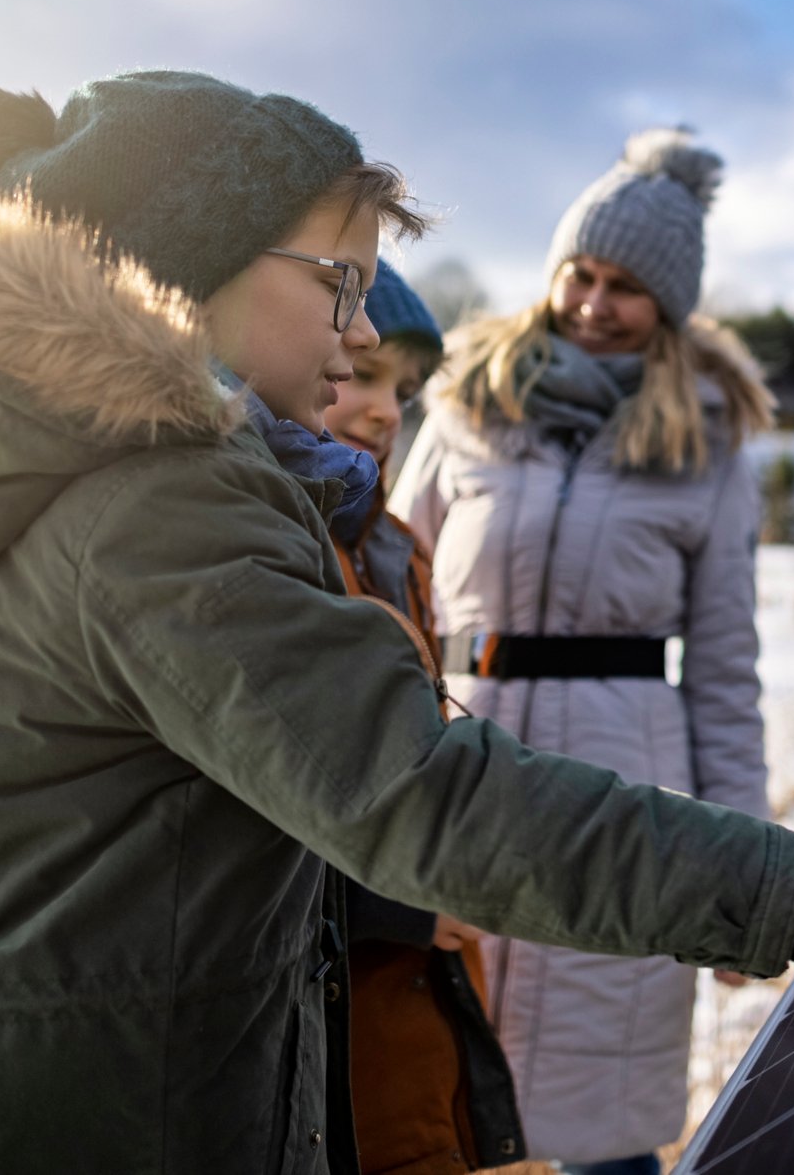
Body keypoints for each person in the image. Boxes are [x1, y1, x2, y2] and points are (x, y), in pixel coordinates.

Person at [0, 71, 794, 1174]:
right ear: (191, 263)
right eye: (335, 280)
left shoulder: (9, 459)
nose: (358, 330)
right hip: (102, 1104)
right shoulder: (152, 505)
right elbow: (416, 792)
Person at [383, 130, 761, 1173]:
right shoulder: (465, 403)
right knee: (433, 1096)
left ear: (668, 306)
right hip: (462, 764)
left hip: (627, 785)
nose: (593, 303)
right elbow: (392, 586)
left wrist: (743, 876)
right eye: (579, 273)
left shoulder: (710, 442)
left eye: (625, 287)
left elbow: (724, 670)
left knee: (603, 1112)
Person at [325, 262, 526, 1172]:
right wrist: (400, 903)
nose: (384, 412)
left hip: (423, 989)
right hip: (340, 1011)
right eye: (362, 375)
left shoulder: (397, 551)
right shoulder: (266, 549)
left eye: (404, 392)